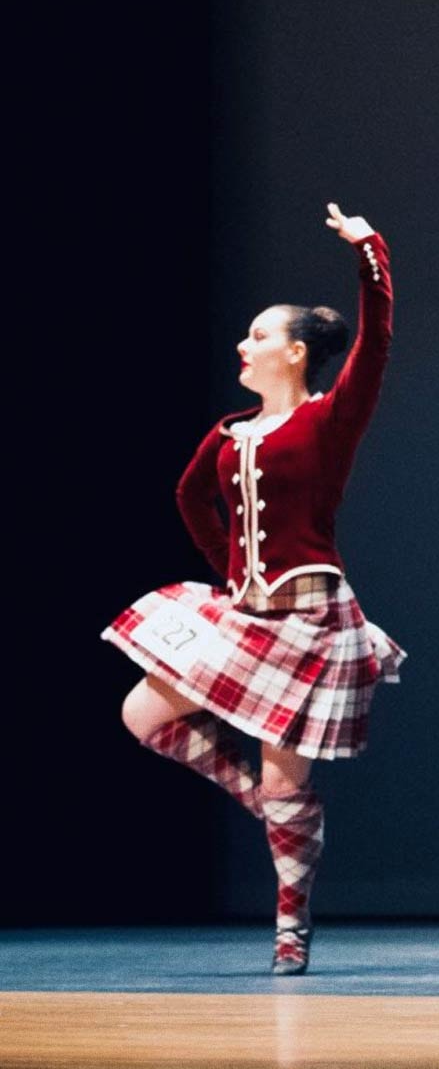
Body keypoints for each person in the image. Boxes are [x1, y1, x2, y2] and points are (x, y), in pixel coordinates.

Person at [103, 204, 404, 976]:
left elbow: (374, 341)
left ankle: (291, 927)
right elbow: (187, 497)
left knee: (286, 775)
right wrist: (232, 573)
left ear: (297, 353)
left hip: (309, 622)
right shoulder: (230, 433)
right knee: (143, 712)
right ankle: (269, 810)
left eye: (261, 335)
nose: (245, 344)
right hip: (246, 614)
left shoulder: (328, 420)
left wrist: (368, 249)